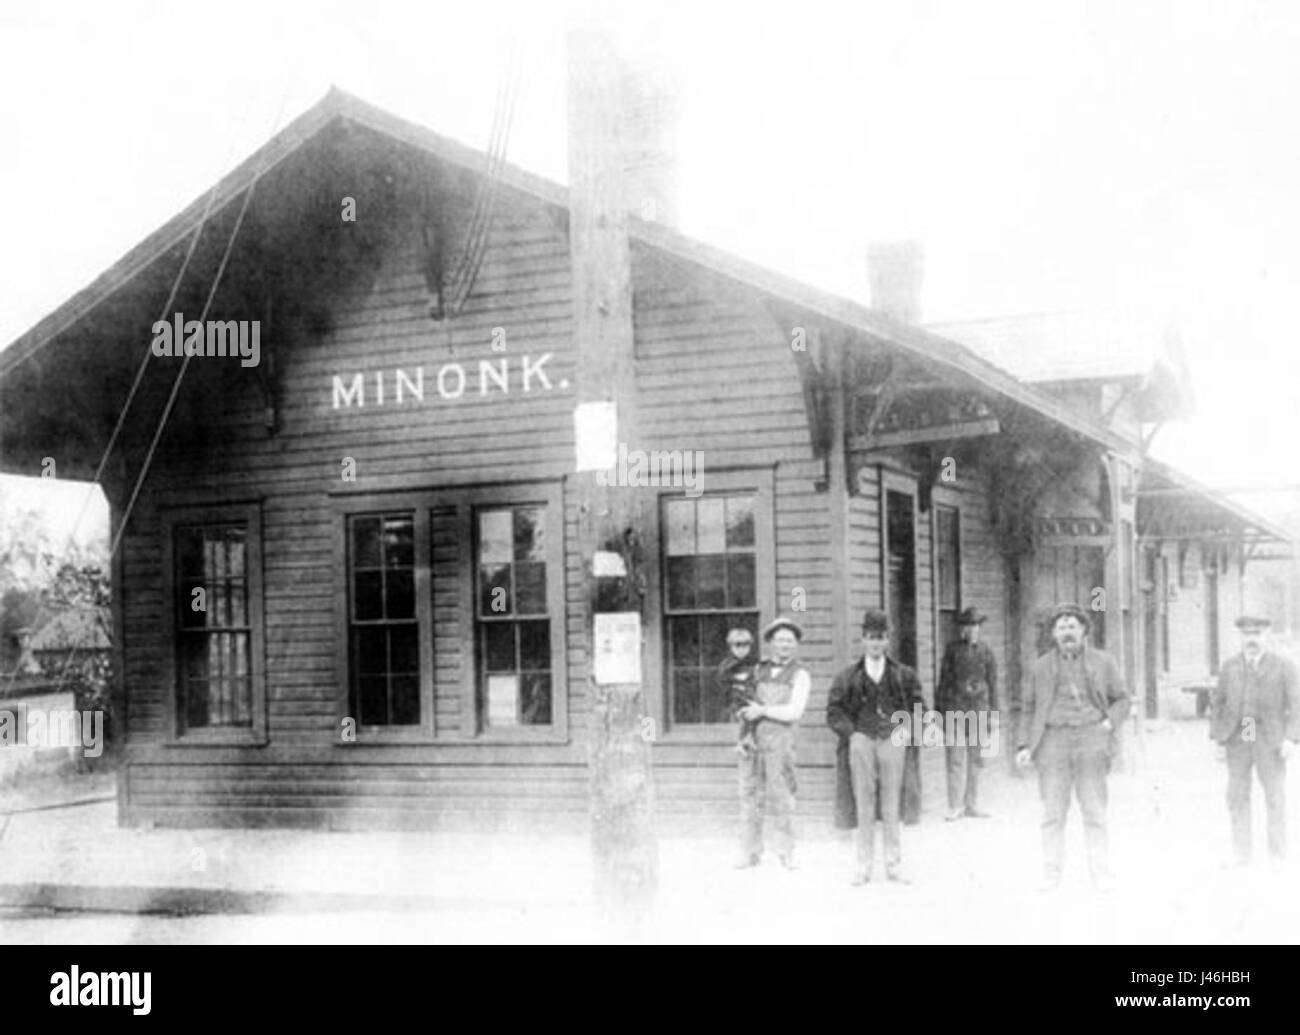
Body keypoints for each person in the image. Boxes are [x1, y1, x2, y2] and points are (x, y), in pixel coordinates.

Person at [1015, 602, 1129, 892]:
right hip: (1053, 743)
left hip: (1091, 741)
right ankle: (1051, 873)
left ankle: (1100, 873)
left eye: (1073, 626)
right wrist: (1023, 745)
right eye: (1061, 627)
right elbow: (1027, 708)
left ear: (1084, 631)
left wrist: (1107, 724)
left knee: (1094, 811)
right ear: (1053, 634)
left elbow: (1123, 699)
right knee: (1053, 813)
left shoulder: (1103, 662)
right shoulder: (1040, 667)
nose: (1067, 632)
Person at [827, 608, 925, 885]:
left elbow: (920, 707)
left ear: (888, 640)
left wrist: (906, 729)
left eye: (881, 637)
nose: (875, 643)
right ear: (862, 639)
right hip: (862, 741)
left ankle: (893, 864)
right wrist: (853, 734)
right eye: (871, 637)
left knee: (892, 802)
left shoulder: (903, 675)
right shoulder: (848, 677)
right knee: (864, 802)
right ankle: (863, 865)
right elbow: (834, 712)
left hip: (893, 740)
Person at [1210, 614, 1300, 868]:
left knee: (1274, 796)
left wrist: (1292, 739)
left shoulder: (1284, 667)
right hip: (1239, 737)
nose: (1252, 640)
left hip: (1270, 739)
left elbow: (1297, 706)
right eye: (1247, 635)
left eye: (1257, 634)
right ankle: (1241, 853)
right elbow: (1217, 704)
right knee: (1237, 795)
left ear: (1266, 636)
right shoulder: (1230, 667)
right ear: (1241, 637)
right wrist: (1218, 739)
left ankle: (1277, 856)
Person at [735, 616, 811, 870]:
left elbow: (794, 712)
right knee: (750, 795)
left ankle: (786, 852)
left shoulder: (800, 675)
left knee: (782, 796)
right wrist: (744, 735)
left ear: (796, 645)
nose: (785, 645)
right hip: (754, 741)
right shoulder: (758, 671)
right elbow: (746, 706)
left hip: (781, 742)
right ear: (770, 643)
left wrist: (763, 711)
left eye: (790, 640)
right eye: (780, 640)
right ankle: (750, 852)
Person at [937, 607, 998, 821]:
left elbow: (992, 684)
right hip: (955, 709)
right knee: (955, 757)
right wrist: (940, 712)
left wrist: (993, 715)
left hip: (979, 710)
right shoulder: (952, 651)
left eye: (975, 626)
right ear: (962, 629)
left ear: (979, 628)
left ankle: (971, 804)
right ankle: (955, 805)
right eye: (967, 626)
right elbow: (943, 682)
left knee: (976, 759)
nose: (971, 630)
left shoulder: (986, 652)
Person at [716, 628, 758, 754]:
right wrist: (737, 683)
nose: (741, 650)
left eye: (745, 646)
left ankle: (750, 738)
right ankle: (740, 742)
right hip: (735, 698)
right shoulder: (727, 664)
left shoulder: (753, 663)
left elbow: (755, 679)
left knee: (752, 715)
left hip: (750, 696)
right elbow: (722, 681)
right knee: (740, 718)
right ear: (731, 647)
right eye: (737, 646)